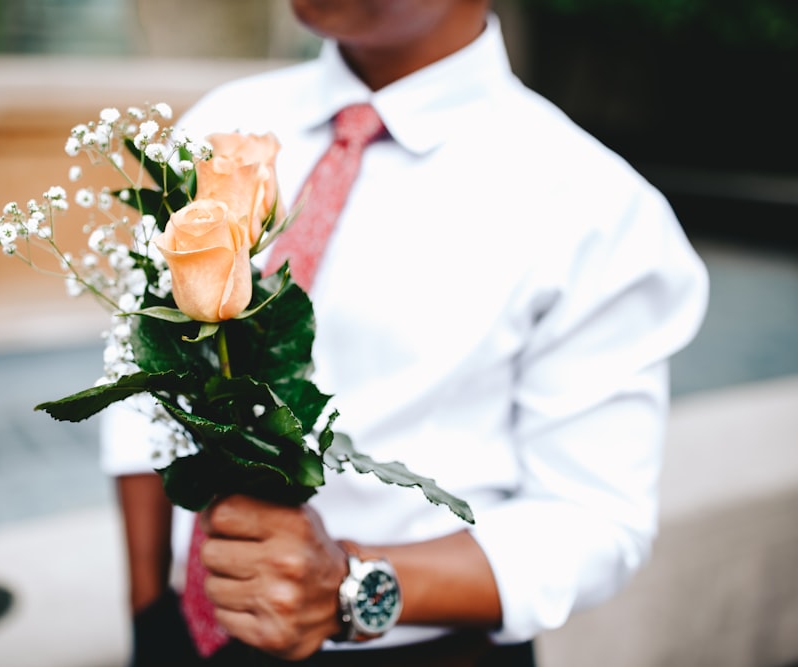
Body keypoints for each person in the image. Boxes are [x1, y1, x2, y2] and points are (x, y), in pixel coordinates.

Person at [100, 0, 710, 665]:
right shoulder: (218, 128)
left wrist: (344, 584)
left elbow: (592, 520)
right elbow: (140, 381)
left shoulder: (596, 208)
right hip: (191, 634)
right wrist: (147, 612)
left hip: (420, 643)